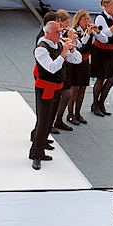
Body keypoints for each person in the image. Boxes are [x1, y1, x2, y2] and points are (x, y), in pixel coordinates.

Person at [29, 21, 80, 170]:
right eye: (57, 32)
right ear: (48, 33)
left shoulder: (58, 45)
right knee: (43, 121)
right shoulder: (41, 49)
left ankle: (42, 143)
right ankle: (36, 154)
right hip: (46, 89)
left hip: (57, 88)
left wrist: (71, 48)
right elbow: (52, 68)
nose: (60, 34)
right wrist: (63, 53)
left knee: (50, 120)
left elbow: (76, 59)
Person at [65, 10, 99, 125]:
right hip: (75, 63)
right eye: (84, 19)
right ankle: (70, 114)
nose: (87, 21)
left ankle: (78, 113)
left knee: (83, 89)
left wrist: (97, 31)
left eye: (88, 19)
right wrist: (88, 34)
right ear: (78, 20)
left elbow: (104, 38)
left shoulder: (90, 30)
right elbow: (80, 45)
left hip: (85, 62)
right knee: (75, 90)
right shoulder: (74, 31)